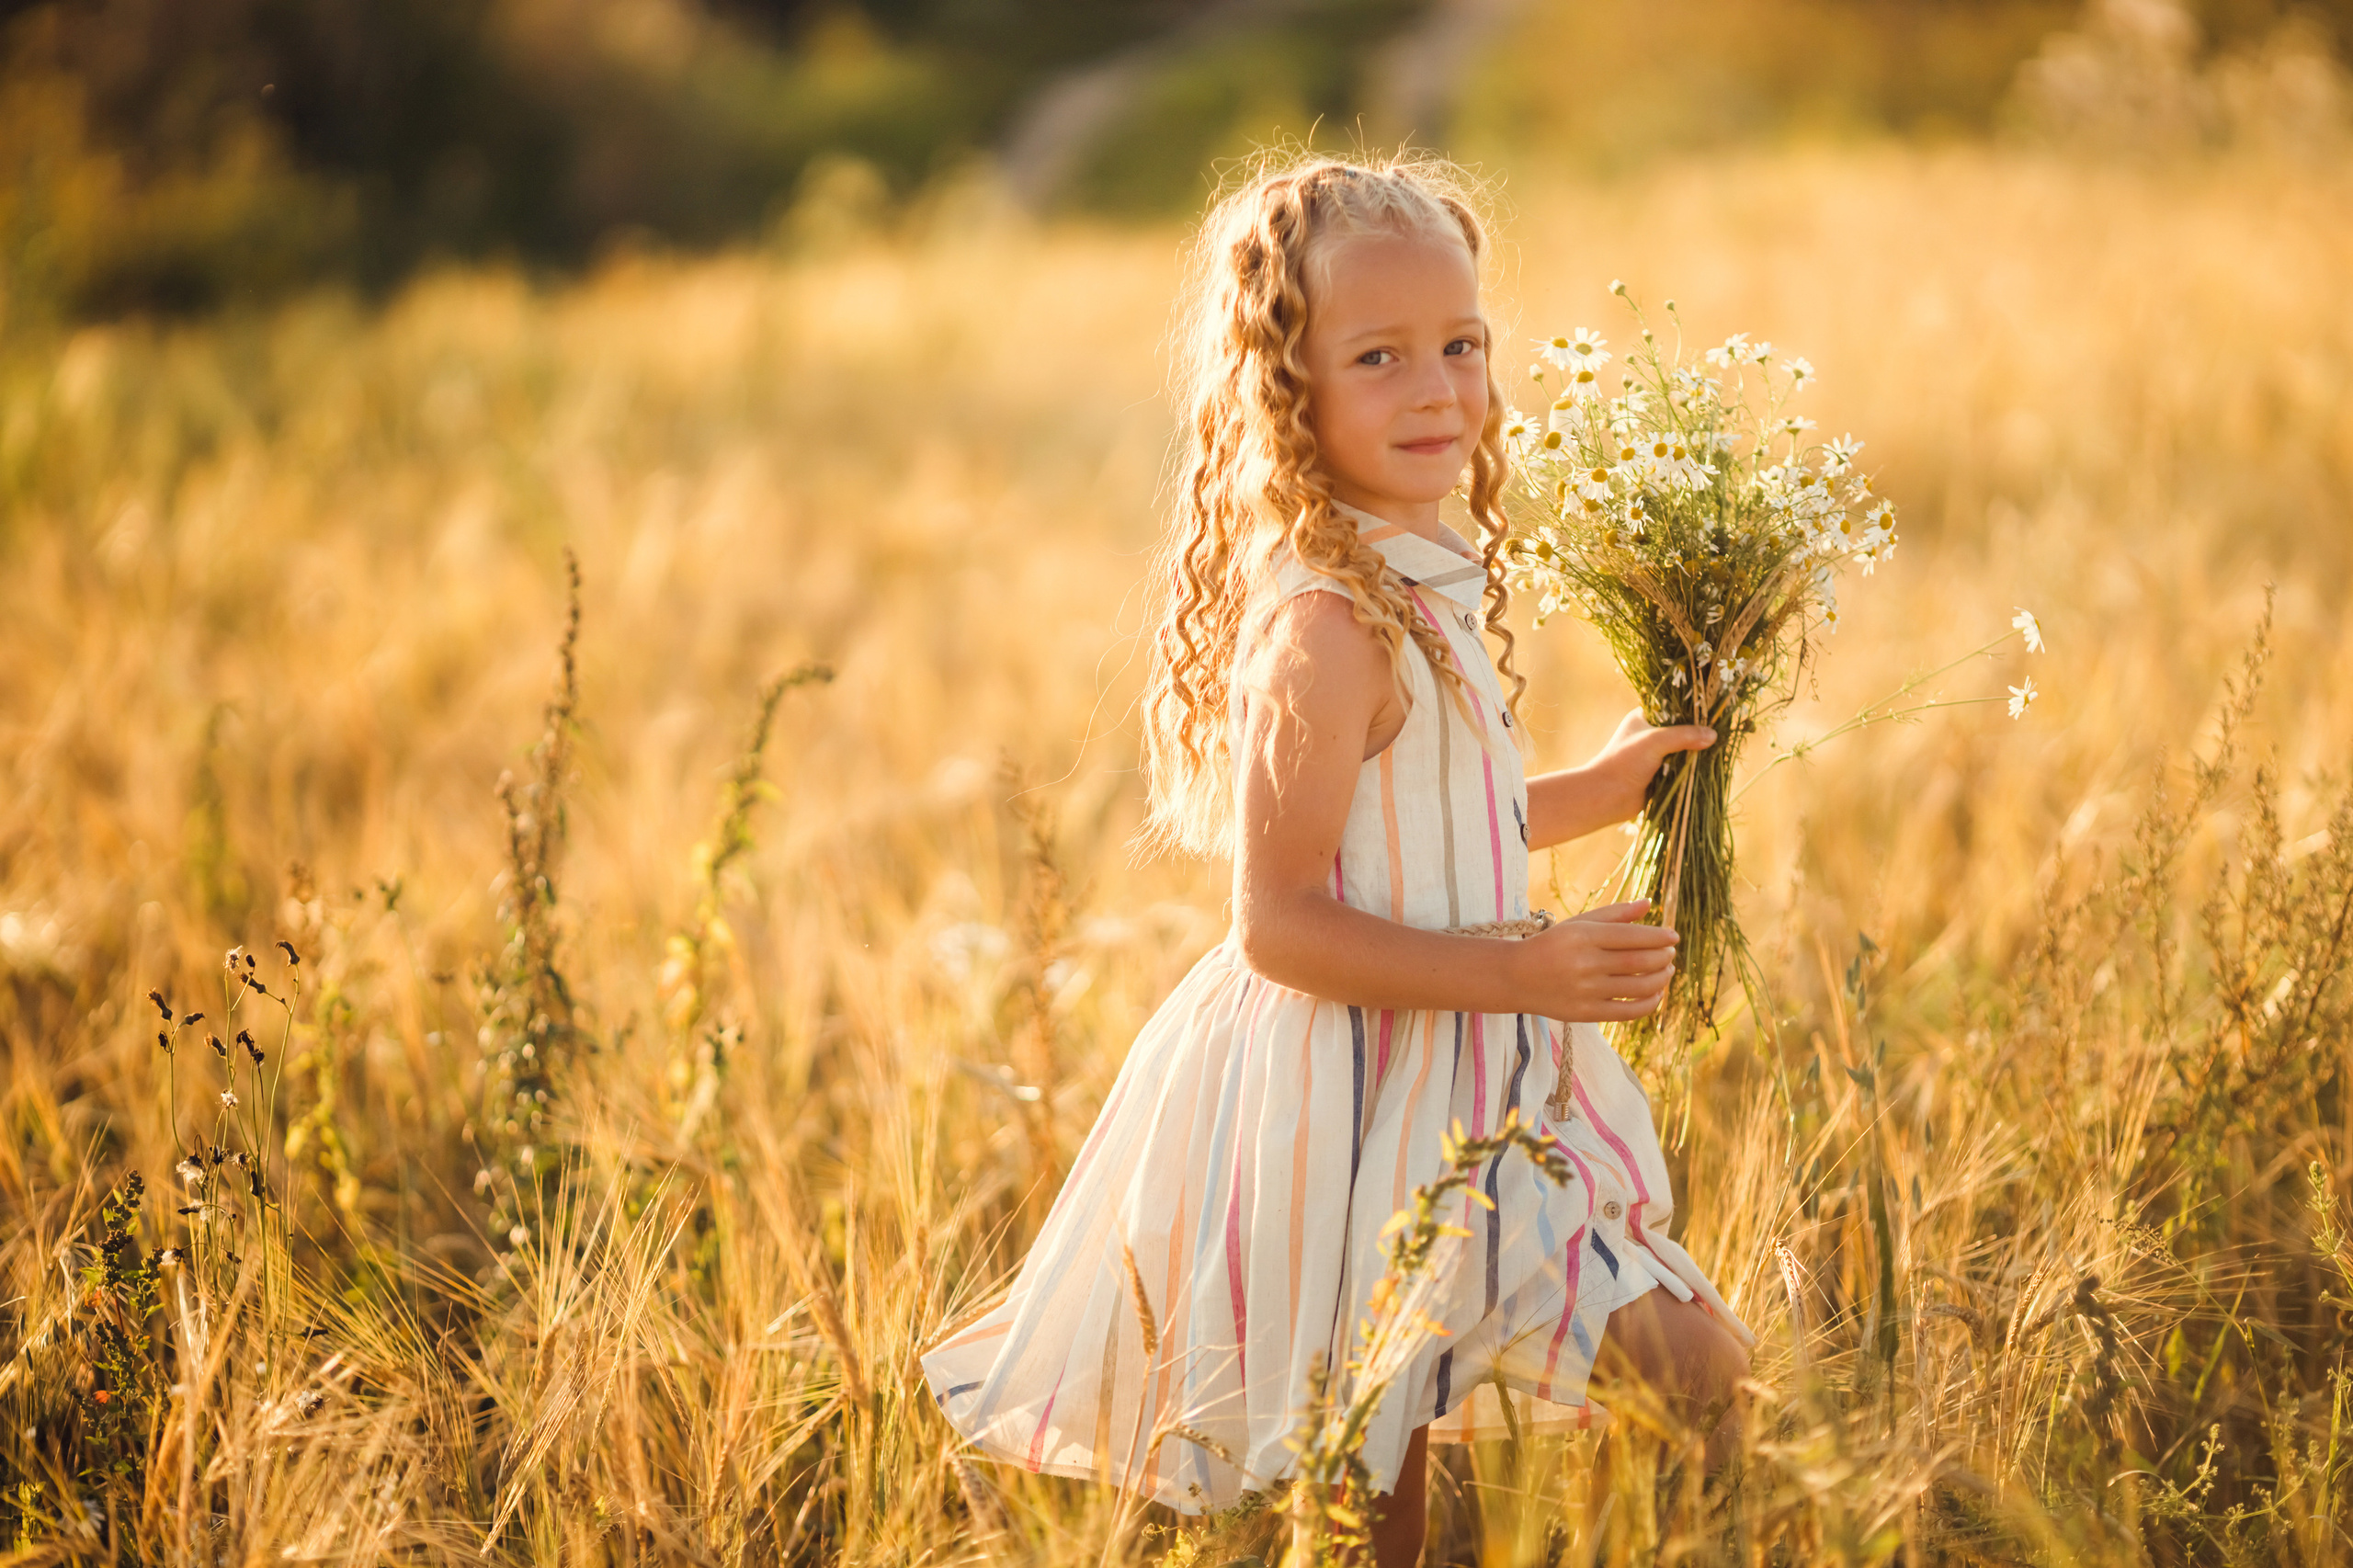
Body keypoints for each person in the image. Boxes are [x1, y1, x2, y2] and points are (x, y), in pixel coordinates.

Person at [922, 153, 1755, 1566]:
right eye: (1380, 357)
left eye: (1461, 344)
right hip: (1358, 1092)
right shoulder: (1327, 624)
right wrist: (1529, 971)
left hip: (1466, 1080)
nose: (1438, 389)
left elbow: (1428, 826)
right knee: (1389, 1490)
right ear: (1287, 390)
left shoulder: (1416, 582)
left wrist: (1595, 792)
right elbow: (1280, 921)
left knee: (1671, 1381)